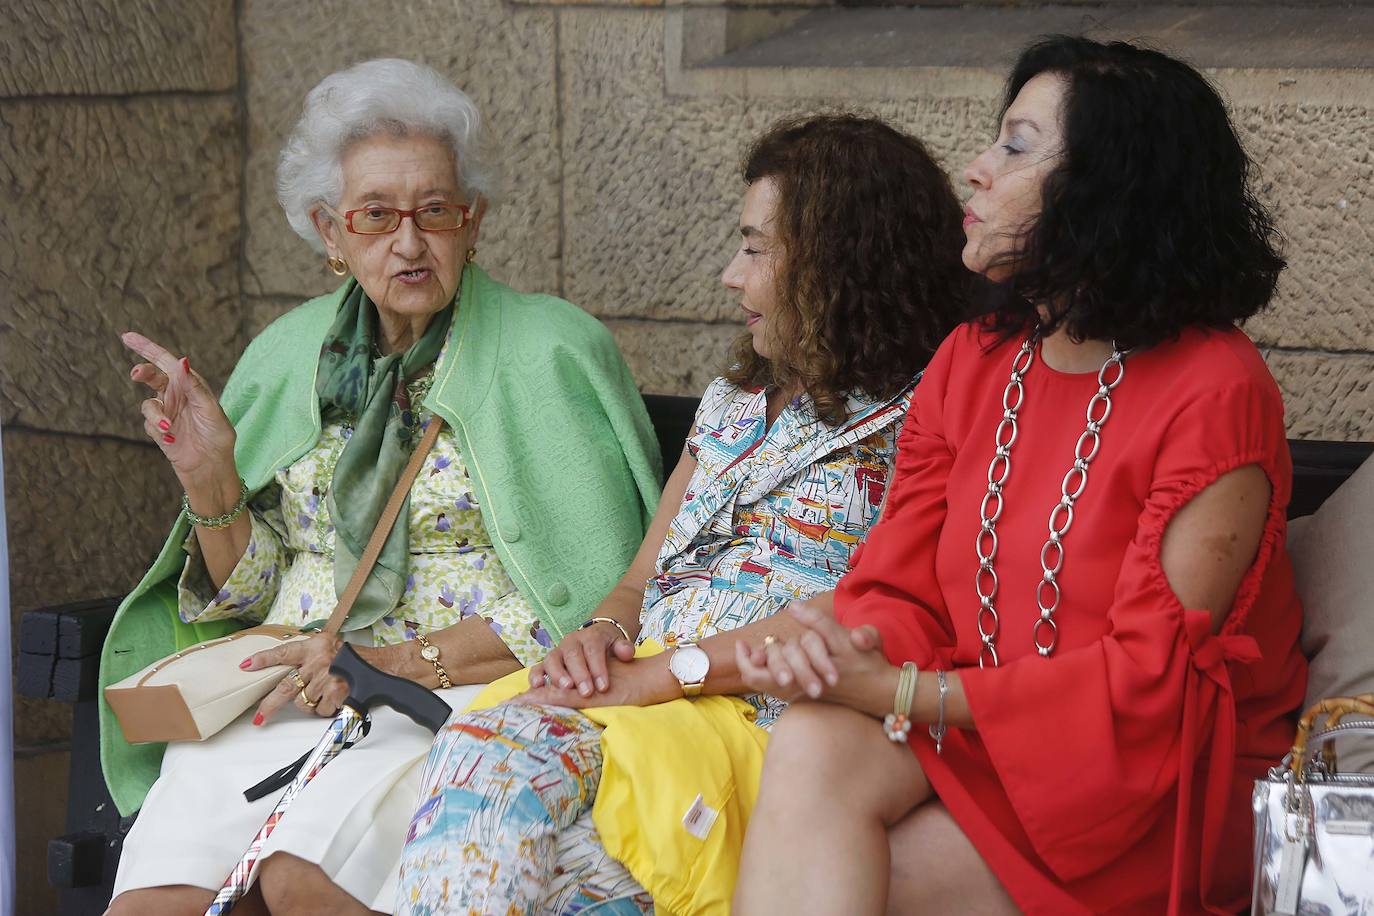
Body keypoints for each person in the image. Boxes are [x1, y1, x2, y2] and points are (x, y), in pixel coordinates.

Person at [732, 36, 1305, 916]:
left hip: (1153, 780)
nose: (975, 169)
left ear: (1107, 193)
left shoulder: (1216, 390)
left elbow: (1148, 685)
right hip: (979, 727)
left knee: (878, 883)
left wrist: (895, 690)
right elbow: (900, 584)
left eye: (1016, 145)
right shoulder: (973, 358)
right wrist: (851, 647)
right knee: (811, 741)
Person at [102, 58, 661, 915]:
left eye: (434, 211)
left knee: (298, 877)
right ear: (330, 233)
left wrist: (392, 666)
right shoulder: (288, 355)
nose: (409, 241)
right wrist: (211, 478)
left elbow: (595, 602)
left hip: (458, 703)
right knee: (164, 898)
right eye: (376, 216)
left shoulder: (552, 352)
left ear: (471, 224)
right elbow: (251, 591)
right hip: (288, 694)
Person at [393, 114, 972, 915]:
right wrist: (602, 634)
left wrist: (664, 676)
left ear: (844, 260)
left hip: (771, 721)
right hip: (643, 700)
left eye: (756, 247)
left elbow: (875, 611)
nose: (731, 275)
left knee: (492, 765)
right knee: (557, 871)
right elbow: (641, 579)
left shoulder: (925, 420)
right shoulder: (734, 401)